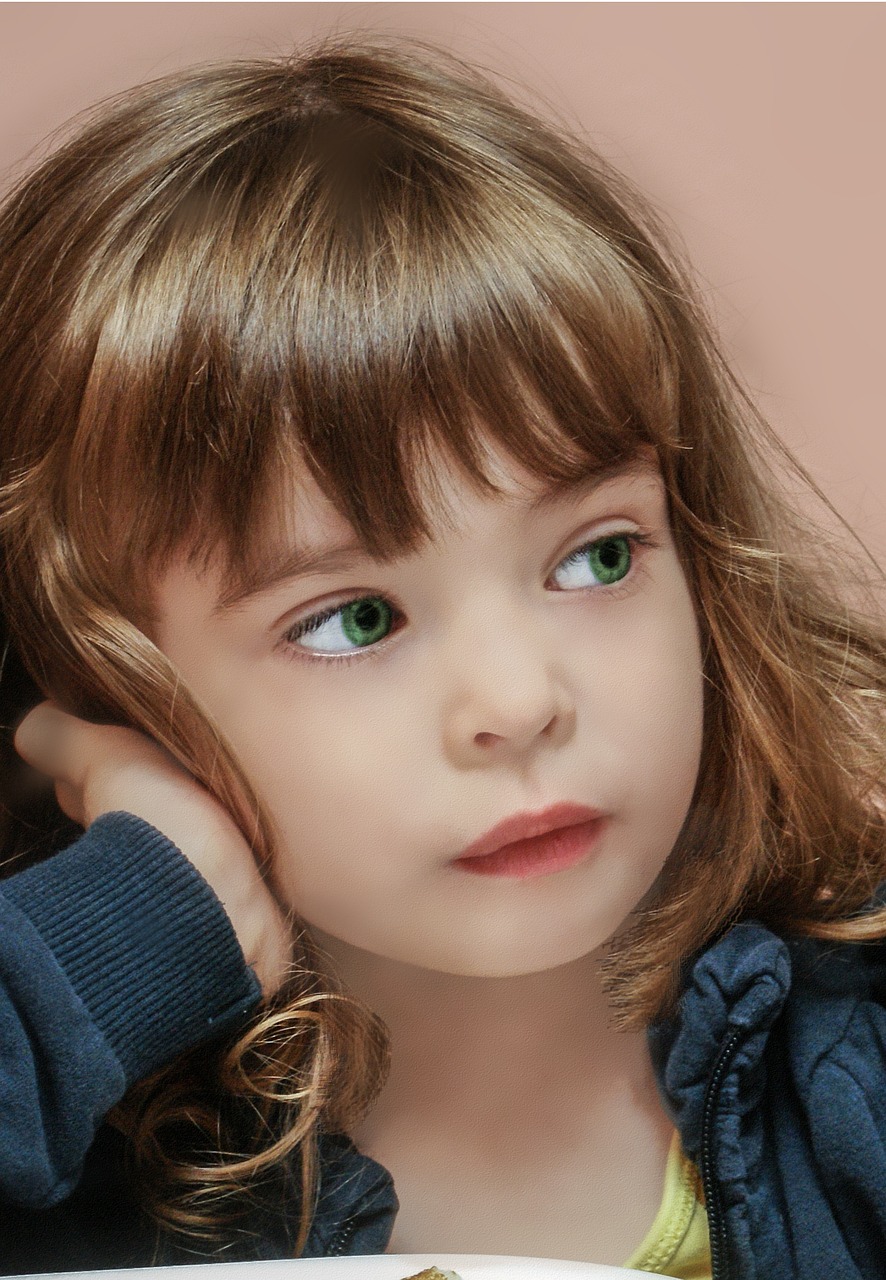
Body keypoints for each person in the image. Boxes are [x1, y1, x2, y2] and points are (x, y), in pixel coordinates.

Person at [0, 35, 884, 1280]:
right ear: (104, 681)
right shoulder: (83, 1154)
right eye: (354, 617)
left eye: (597, 556)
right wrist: (128, 927)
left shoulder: (857, 1064)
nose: (519, 703)